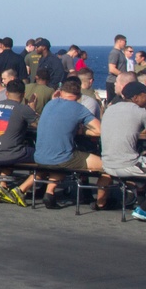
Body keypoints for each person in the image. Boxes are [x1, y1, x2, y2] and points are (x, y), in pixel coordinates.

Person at [34, 79, 107, 210]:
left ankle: (49, 193)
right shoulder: (79, 108)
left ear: (61, 92)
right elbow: (99, 130)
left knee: (61, 159)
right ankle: (101, 203)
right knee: (107, 166)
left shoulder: (50, 104)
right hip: (62, 158)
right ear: (79, 96)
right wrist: (82, 130)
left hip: (40, 156)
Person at [99, 82, 146, 222]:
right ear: (135, 98)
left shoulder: (110, 110)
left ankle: (141, 203)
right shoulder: (141, 112)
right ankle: (144, 209)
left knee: (145, 166)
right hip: (127, 164)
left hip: (107, 163)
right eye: (145, 95)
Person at [0, 79, 36, 206]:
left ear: (6, 93)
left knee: (9, 147)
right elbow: (39, 125)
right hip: (8, 153)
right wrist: (32, 108)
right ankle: (21, 189)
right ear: (23, 95)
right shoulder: (24, 109)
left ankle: (3, 185)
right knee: (45, 157)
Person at [106, 34, 128, 100]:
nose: (125, 44)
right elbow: (112, 69)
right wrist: (123, 76)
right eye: (125, 41)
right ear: (119, 41)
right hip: (113, 82)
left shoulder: (120, 53)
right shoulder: (114, 53)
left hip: (119, 82)